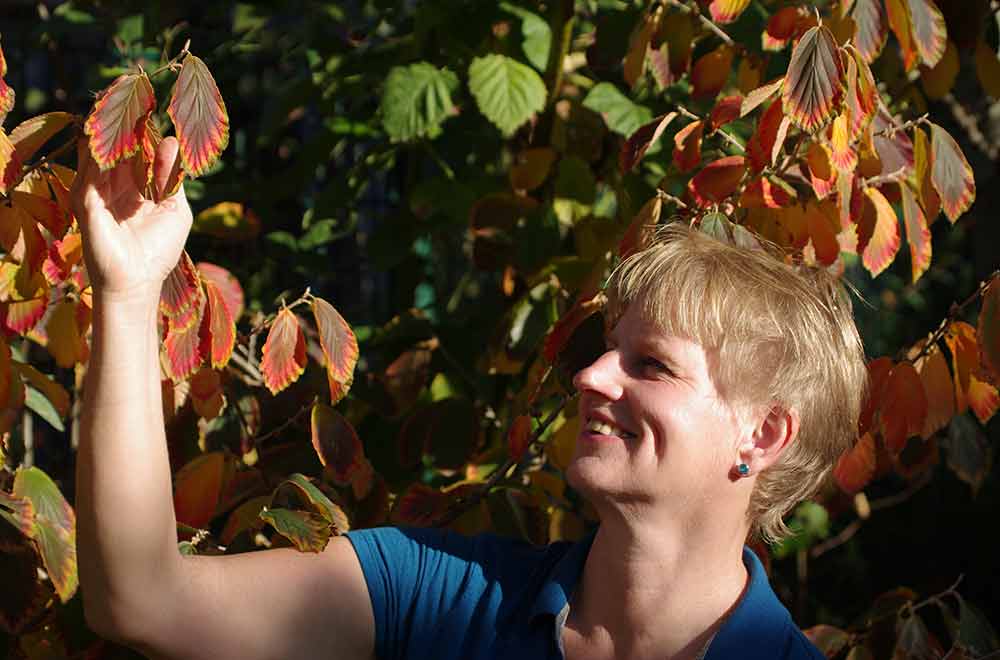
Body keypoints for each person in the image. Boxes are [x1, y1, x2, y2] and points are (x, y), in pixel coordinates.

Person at [73, 135, 867, 660]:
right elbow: (143, 598)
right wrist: (130, 293)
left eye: (651, 365)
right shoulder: (436, 595)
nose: (592, 377)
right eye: (605, 350)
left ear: (761, 435)